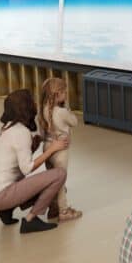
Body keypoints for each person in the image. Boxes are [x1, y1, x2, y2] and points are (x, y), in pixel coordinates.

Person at [0, 89, 68, 234]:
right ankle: (30, 219)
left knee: (58, 189)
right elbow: (27, 169)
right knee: (59, 175)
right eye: (32, 101)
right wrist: (52, 149)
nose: (35, 103)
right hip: (2, 195)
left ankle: (6, 211)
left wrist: (35, 145)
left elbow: (17, 158)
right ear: (26, 107)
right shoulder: (20, 132)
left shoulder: (8, 127)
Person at [38, 77, 82, 222]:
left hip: (47, 148)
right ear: (57, 95)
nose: (66, 95)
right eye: (64, 92)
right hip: (61, 151)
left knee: (52, 180)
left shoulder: (43, 110)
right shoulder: (61, 112)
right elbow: (74, 122)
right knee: (61, 182)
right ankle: (63, 211)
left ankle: (53, 208)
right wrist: (66, 106)